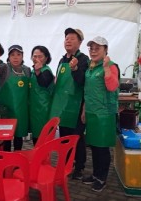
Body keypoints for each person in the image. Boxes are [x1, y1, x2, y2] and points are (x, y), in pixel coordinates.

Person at [49, 28, 89, 179]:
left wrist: (76, 68)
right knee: (64, 138)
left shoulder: (84, 59)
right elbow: (58, 82)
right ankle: (67, 163)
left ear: (80, 42)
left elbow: (82, 82)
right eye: (66, 38)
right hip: (63, 106)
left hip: (77, 106)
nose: (68, 40)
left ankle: (79, 167)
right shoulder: (61, 60)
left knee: (77, 138)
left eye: (72, 38)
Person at [82, 36, 119, 192]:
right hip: (91, 113)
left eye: (98, 48)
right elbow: (87, 91)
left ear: (106, 50)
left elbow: (112, 87)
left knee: (103, 148)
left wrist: (105, 69)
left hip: (104, 114)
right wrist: (84, 110)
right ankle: (96, 174)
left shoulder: (111, 66)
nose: (93, 50)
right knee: (95, 147)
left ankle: (102, 178)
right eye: (91, 48)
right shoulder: (91, 66)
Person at [0, 44, 31, 151]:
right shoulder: (5, 68)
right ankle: (7, 158)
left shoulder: (27, 70)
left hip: (21, 109)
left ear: (22, 56)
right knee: (6, 136)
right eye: (12, 55)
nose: (16, 57)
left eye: (18, 54)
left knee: (19, 135)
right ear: (8, 57)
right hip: (7, 110)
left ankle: (17, 156)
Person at [29, 46, 54, 145]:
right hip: (34, 109)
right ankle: (37, 158)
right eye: (35, 56)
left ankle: (44, 158)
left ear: (46, 58)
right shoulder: (32, 71)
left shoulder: (46, 71)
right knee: (36, 136)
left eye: (40, 56)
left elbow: (44, 82)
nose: (37, 59)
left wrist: (38, 72)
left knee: (43, 136)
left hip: (43, 109)